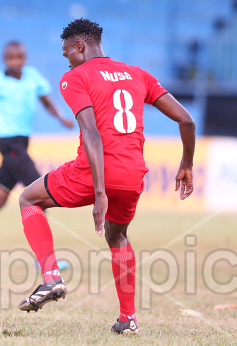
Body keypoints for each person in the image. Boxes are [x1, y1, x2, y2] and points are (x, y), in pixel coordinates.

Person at [16, 18, 195, 335]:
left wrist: (99, 192)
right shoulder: (138, 74)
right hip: (133, 174)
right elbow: (186, 120)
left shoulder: (75, 77)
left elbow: (92, 134)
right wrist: (187, 164)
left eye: (66, 52)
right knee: (118, 237)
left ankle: (51, 276)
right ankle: (128, 319)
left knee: (28, 199)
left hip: (93, 171)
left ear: (79, 47)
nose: (66, 58)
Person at [0, 41, 74, 234]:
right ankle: (45, 260)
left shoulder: (33, 77)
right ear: (4, 60)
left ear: (25, 58)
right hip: (9, 144)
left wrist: (61, 117)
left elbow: (46, 101)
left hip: (22, 144)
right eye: (10, 58)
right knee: (39, 192)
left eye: (19, 57)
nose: (15, 61)